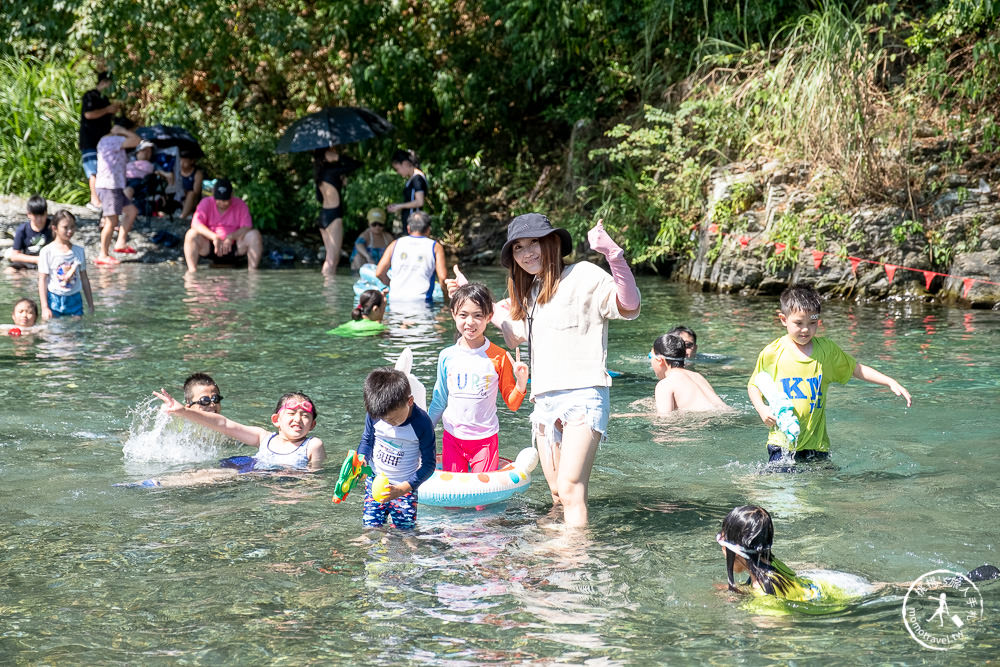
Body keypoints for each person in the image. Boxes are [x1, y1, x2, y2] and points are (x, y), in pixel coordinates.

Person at [494, 214, 641, 527]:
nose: (527, 252)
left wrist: (613, 255)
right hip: (545, 403)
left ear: (553, 242)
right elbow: (515, 334)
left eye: (534, 242)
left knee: (572, 488)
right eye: (518, 247)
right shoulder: (532, 292)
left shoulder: (584, 275)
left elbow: (629, 306)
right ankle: (562, 557)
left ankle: (574, 562)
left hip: (583, 395)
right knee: (557, 494)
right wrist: (479, 307)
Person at [718, 505, 1000, 612]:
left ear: (738, 550)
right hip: (829, 582)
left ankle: (957, 583)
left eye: (723, 539)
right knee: (897, 585)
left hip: (844, 594)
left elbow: (779, 628)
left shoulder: (765, 596)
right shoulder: (769, 564)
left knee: (901, 589)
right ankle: (954, 583)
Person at [747, 284, 911, 466]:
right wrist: (762, 409)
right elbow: (754, 385)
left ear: (819, 321)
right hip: (782, 442)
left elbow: (855, 368)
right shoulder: (773, 352)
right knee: (780, 486)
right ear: (783, 319)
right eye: (798, 323)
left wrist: (889, 381)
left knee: (821, 487)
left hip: (817, 443)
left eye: (812, 323)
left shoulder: (826, 351)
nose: (805, 330)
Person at [428, 283, 529, 473]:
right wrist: (423, 433)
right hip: (452, 437)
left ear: (489, 317)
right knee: (452, 500)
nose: (470, 322)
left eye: (478, 315)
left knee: (482, 503)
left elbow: (512, 404)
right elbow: (439, 400)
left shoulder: (499, 357)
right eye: (463, 315)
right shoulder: (447, 356)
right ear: (453, 314)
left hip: (485, 441)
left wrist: (521, 383)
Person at [151, 389, 326, 473]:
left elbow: (313, 477)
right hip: (248, 471)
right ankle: (156, 484)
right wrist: (183, 411)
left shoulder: (312, 445)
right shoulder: (264, 438)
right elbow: (224, 425)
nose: (297, 419)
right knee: (201, 475)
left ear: (312, 425)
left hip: (278, 482)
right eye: (291, 413)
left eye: (305, 415)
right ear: (276, 420)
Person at [356, 368, 436, 529]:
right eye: (384, 419)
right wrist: (361, 457)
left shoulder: (422, 423)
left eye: (393, 419)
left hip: (405, 486)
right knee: (371, 527)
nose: (388, 422)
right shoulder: (376, 414)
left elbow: (429, 464)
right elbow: (367, 439)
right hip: (375, 480)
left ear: (410, 401)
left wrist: (404, 488)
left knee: (405, 531)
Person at [183, 179, 263, 273]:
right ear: (213, 194)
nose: (222, 203)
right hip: (210, 246)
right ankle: (192, 271)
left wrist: (231, 237)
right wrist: (214, 237)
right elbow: (196, 224)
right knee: (191, 234)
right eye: (218, 199)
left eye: (225, 200)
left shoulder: (240, 205)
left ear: (232, 195)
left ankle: (253, 271)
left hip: (234, 247)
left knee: (254, 234)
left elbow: (247, 227)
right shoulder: (205, 203)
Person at [374, 211, 448, 304]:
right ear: (428, 229)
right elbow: (443, 277)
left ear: (408, 228)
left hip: (395, 299)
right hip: (422, 301)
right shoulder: (435, 246)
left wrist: (393, 286)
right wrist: (446, 299)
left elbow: (379, 273)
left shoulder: (395, 244)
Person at [95, 123, 141, 264]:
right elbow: (137, 140)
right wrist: (123, 130)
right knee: (111, 221)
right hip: (109, 186)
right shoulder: (113, 139)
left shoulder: (106, 140)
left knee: (131, 211)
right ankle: (103, 255)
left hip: (115, 186)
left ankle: (120, 243)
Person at [649, 334, 728, 413]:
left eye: (650, 356)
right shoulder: (697, 376)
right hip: (726, 412)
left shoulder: (665, 384)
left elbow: (664, 420)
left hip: (707, 419)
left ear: (659, 360)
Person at [37, 211, 94, 320]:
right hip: (54, 298)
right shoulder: (47, 251)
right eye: (65, 227)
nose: (70, 231)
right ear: (55, 228)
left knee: (77, 331)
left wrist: (90, 304)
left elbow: (84, 279)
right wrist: (44, 307)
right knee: (53, 332)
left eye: (72, 227)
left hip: (75, 298)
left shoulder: (79, 251)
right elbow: (42, 280)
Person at [313, 146, 362, 275]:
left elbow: (319, 197)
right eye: (332, 151)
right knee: (331, 259)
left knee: (332, 258)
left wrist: (338, 183)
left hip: (323, 215)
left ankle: (329, 290)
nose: (336, 151)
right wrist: (338, 158)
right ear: (327, 154)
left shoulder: (320, 173)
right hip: (333, 216)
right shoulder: (332, 171)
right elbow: (356, 164)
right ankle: (329, 292)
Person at [79, 71, 119, 211]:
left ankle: (103, 200)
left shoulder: (106, 100)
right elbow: (88, 114)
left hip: (104, 142)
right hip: (90, 140)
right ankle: (94, 200)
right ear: (102, 83)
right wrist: (107, 110)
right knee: (93, 170)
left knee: (103, 170)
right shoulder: (90, 96)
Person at [7, 195, 52, 272]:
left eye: (42, 215)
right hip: (27, 263)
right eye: (36, 215)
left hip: (48, 262)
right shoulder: (22, 229)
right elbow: (14, 256)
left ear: (46, 213)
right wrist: (37, 259)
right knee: (9, 270)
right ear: (29, 214)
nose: (39, 219)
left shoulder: (52, 227)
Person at [386, 149, 427, 231]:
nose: (398, 172)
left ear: (405, 164)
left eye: (397, 169)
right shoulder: (412, 179)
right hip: (410, 223)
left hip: (415, 224)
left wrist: (399, 206)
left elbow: (420, 201)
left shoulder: (417, 178)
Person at [177, 149, 204, 220]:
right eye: (181, 160)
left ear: (191, 161)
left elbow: (196, 191)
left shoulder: (197, 173)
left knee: (191, 194)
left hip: (192, 200)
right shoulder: (177, 171)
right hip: (178, 197)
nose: (182, 163)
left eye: (185, 161)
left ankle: (183, 216)